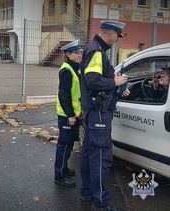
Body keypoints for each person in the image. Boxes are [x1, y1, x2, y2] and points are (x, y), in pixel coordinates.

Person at [79, 20, 130, 211]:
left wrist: (117, 87)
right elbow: (92, 80)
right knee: (101, 157)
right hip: (99, 112)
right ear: (110, 33)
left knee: (89, 153)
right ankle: (101, 202)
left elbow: (95, 78)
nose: (117, 40)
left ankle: (87, 192)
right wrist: (114, 82)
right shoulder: (97, 50)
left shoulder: (94, 49)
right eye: (117, 36)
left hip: (94, 111)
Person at [54, 39, 83, 187]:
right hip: (67, 115)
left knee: (69, 144)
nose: (79, 55)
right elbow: (63, 95)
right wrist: (70, 114)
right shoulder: (66, 70)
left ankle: (64, 169)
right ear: (68, 54)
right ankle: (59, 175)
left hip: (73, 114)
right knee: (64, 145)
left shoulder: (74, 67)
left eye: (79, 52)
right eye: (76, 53)